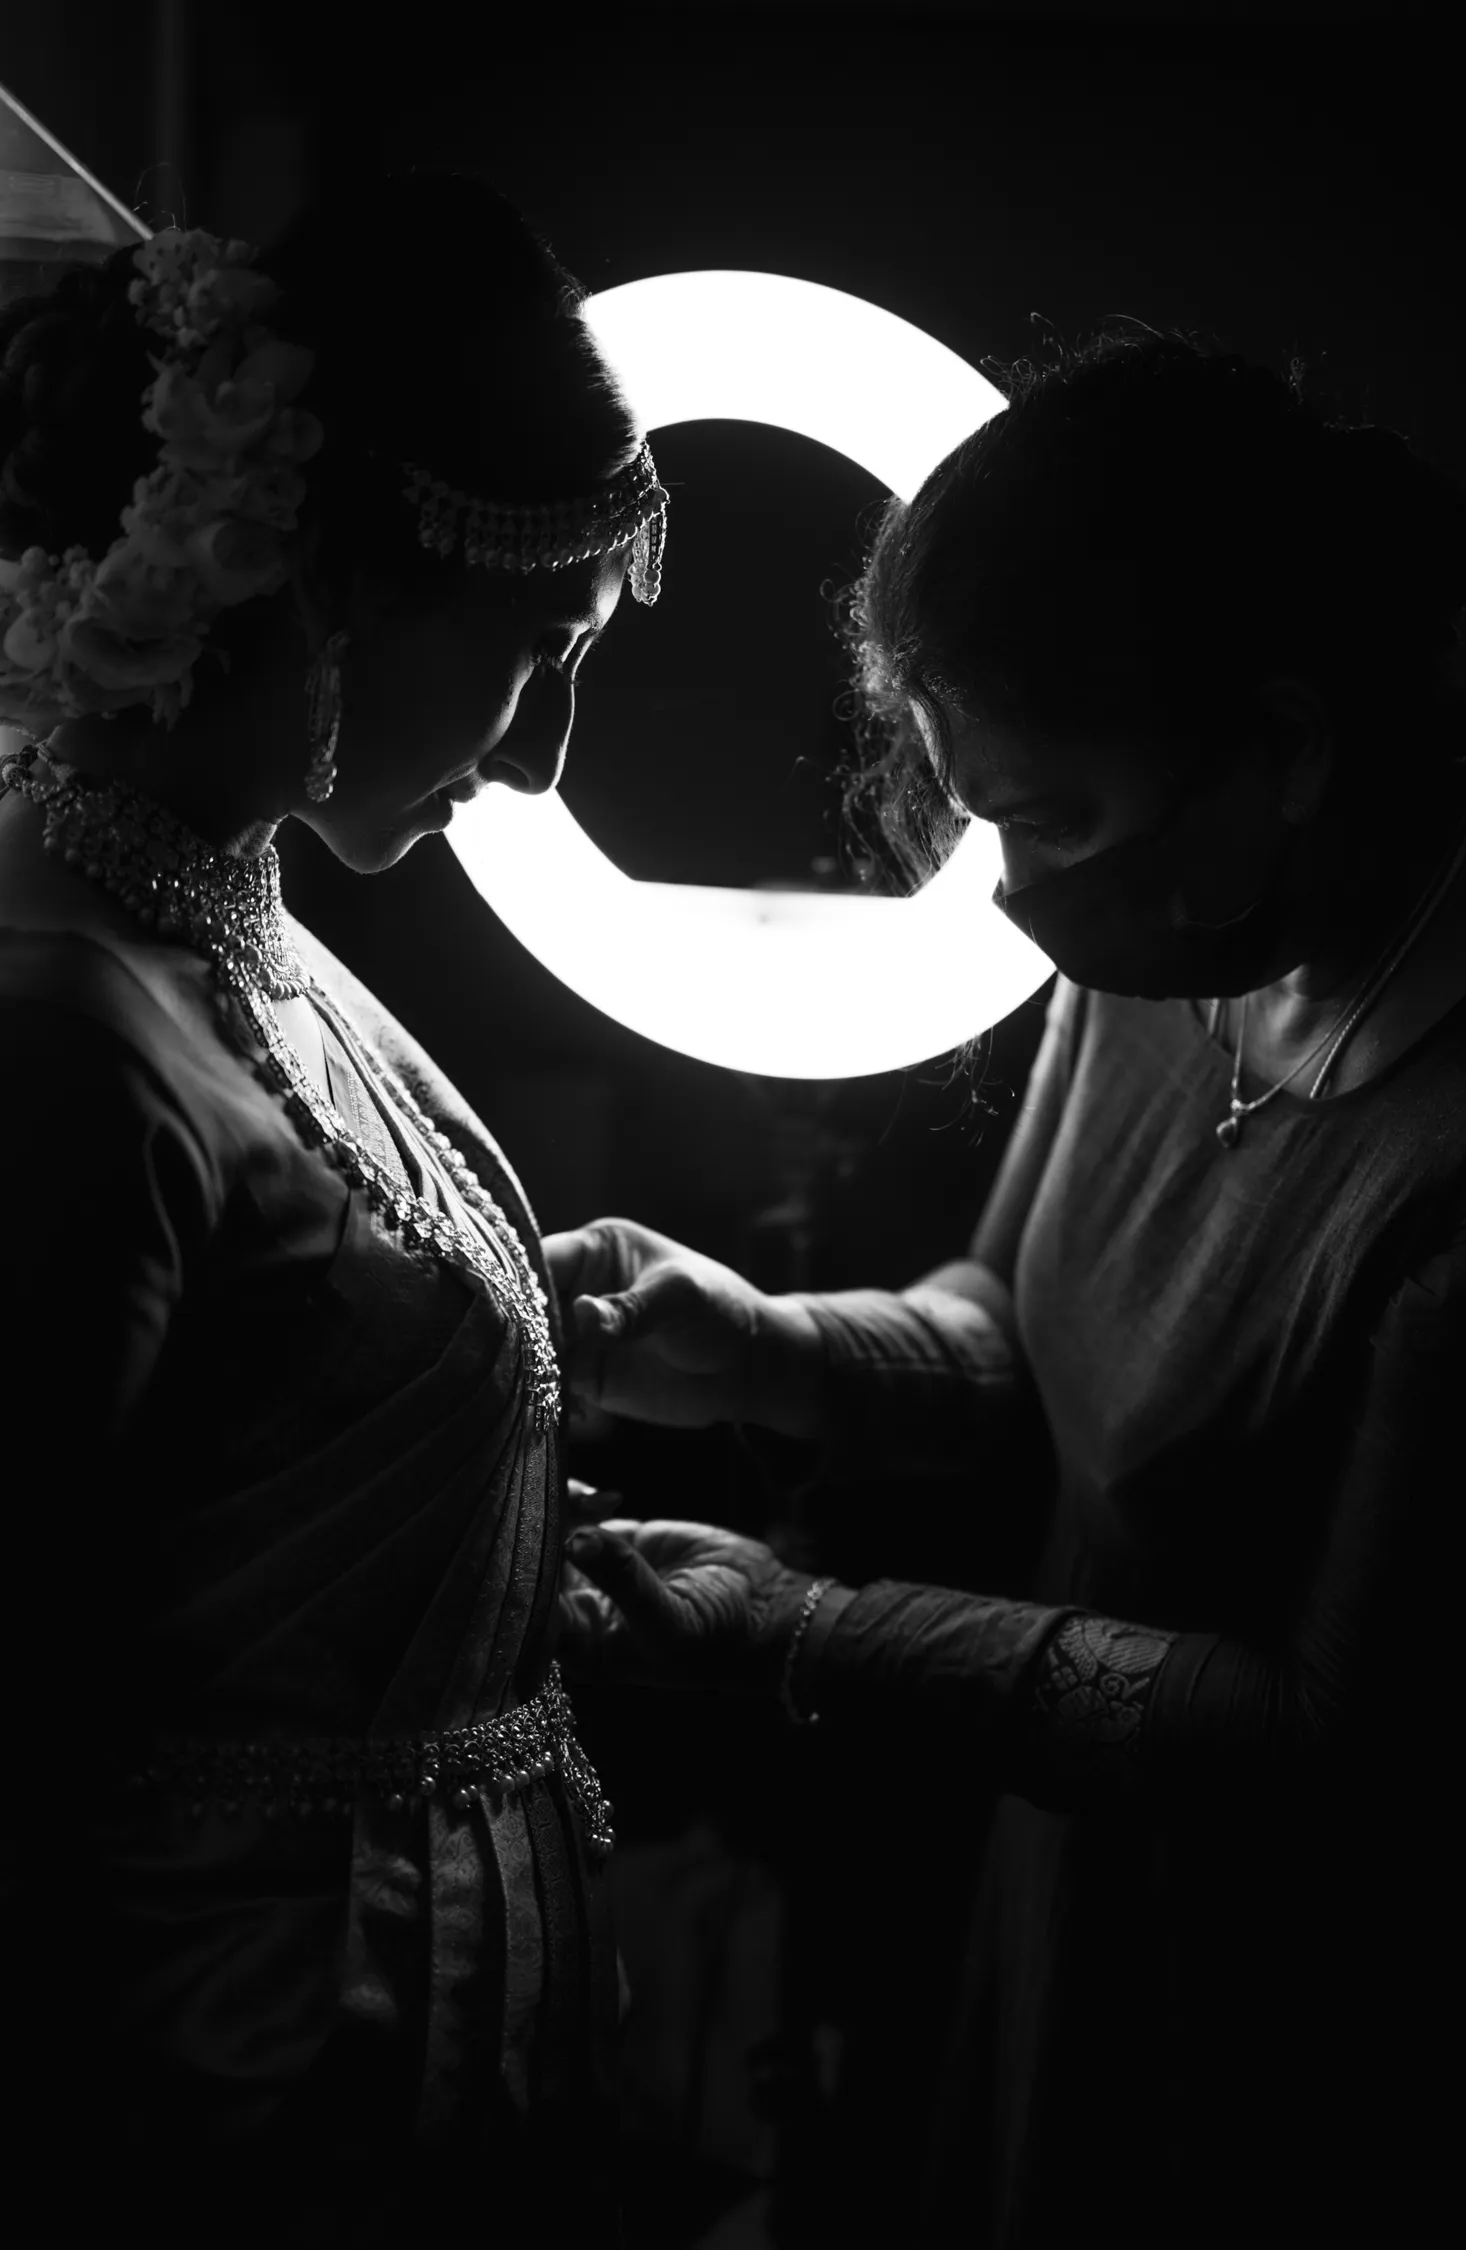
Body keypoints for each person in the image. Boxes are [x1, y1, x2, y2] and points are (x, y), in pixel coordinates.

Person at [547, 327, 1466, 2246]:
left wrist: (796, 1634)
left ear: (1289, 753)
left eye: (1053, 819)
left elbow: (1328, 1745)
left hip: (1302, 2034)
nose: (1013, 893)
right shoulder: (1177, 935)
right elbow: (1015, 1325)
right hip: (1071, 1902)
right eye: (987, 817)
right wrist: (759, 1346)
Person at [0, 168, 668, 2244]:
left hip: (401, 2058)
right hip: (221, 2109)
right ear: (347, 587)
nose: (550, 758)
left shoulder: (235, 918)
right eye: (536, 646)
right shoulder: (60, 1025)